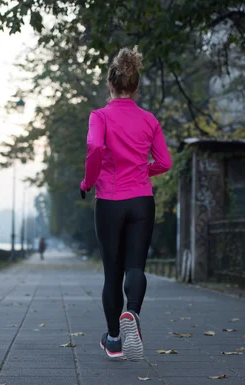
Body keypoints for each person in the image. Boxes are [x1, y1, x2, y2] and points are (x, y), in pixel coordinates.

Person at [79, 47, 172, 361]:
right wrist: (143, 171)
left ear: (110, 84)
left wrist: (89, 181)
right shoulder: (149, 120)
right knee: (136, 266)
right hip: (141, 201)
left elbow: (94, 146)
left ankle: (115, 339)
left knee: (112, 274)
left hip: (109, 201)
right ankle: (132, 313)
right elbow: (165, 161)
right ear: (136, 87)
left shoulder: (100, 116)